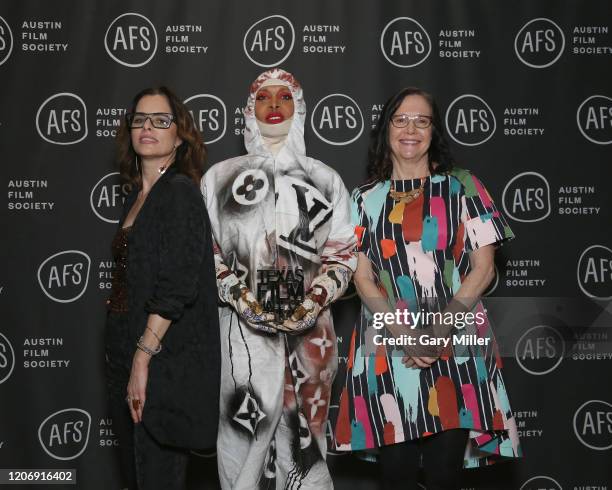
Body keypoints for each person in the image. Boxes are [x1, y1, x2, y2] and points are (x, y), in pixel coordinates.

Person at [333, 87, 521, 489]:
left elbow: (483, 269)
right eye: (400, 119)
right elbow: (361, 277)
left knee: (443, 476)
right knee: (396, 476)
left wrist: (438, 331)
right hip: (388, 347)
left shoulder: (464, 186)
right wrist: (404, 334)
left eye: (422, 120)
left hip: (455, 342)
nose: (411, 129)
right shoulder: (364, 199)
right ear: (386, 130)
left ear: (434, 131)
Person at [201, 68, 357, 489]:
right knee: (244, 438)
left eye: (284, 97)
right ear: (249, 110)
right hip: (241, 337)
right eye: (263, 98)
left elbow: (344, 255)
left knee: (306, 446)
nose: (273, 106)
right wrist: (241, 298)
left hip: (311, 339)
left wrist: (313, 302)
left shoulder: (325, 180)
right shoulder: (218, 179)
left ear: (299, 107)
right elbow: (206, 256)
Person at [105, 86, 220, 490]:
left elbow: (178, 286)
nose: (147, 127)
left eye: (160, 120)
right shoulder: (137, 197)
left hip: (161, 364)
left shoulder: (180, 193)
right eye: (139, 119)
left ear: (180, 135)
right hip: (124, 356)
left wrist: (143, 356)